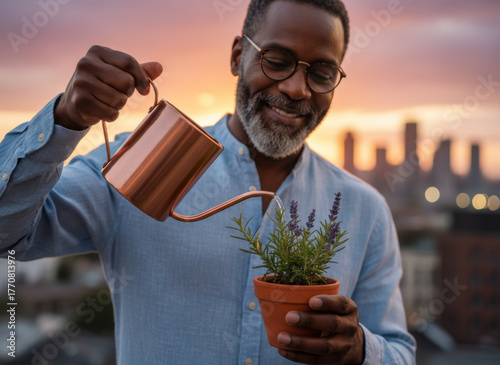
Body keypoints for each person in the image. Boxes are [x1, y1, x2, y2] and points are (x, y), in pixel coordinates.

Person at [0, 0, 416, 363]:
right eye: (276, 60)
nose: (295, 88)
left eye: (322, 73)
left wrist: (359, 349)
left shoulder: (365, 209)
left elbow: (399, 352)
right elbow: (8, 233)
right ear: (238, 56)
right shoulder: (137, 162)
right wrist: (66, 119)